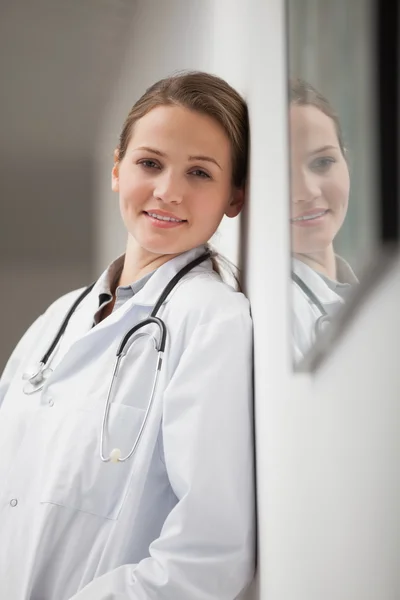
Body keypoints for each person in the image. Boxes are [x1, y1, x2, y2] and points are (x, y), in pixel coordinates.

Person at [0, 71, 254, 599]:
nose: (169, 191)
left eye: (200, 173)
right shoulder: (56, 319)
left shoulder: (212, 320)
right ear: (118, 169)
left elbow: (212, 548)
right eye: (150, 163)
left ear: (235, 196)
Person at [289, 78, 358, 363]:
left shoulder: (360, 288)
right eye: (284, 173)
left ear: (347, 162)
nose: (306, 191)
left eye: (322, 162)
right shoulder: (281, 309)